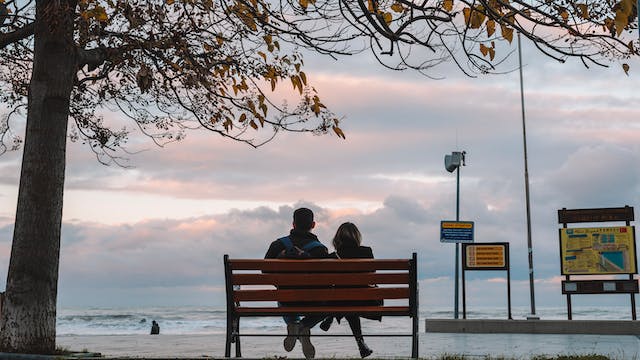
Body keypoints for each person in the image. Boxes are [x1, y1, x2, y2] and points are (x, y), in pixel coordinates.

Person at [264, 207, 329, 359]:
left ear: (293, 224)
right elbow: (327, 279)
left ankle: (293, 324)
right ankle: (304, 326)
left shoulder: (277, 245)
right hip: (314, 301)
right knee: (329, 304)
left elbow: (265, 272)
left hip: (287, 300)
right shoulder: (320, 250)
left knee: (285, 296)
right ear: (313, 225)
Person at [319, 222, 377, 358]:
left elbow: (325, 282)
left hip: (339, 301)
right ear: (357, 237)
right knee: (351, 303)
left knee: (345, 298)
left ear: (338, 238)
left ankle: (332, 315)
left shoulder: (333, 257)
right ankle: (360, 342)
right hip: (364, 300)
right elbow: (372, 275)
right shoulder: (367, 251)